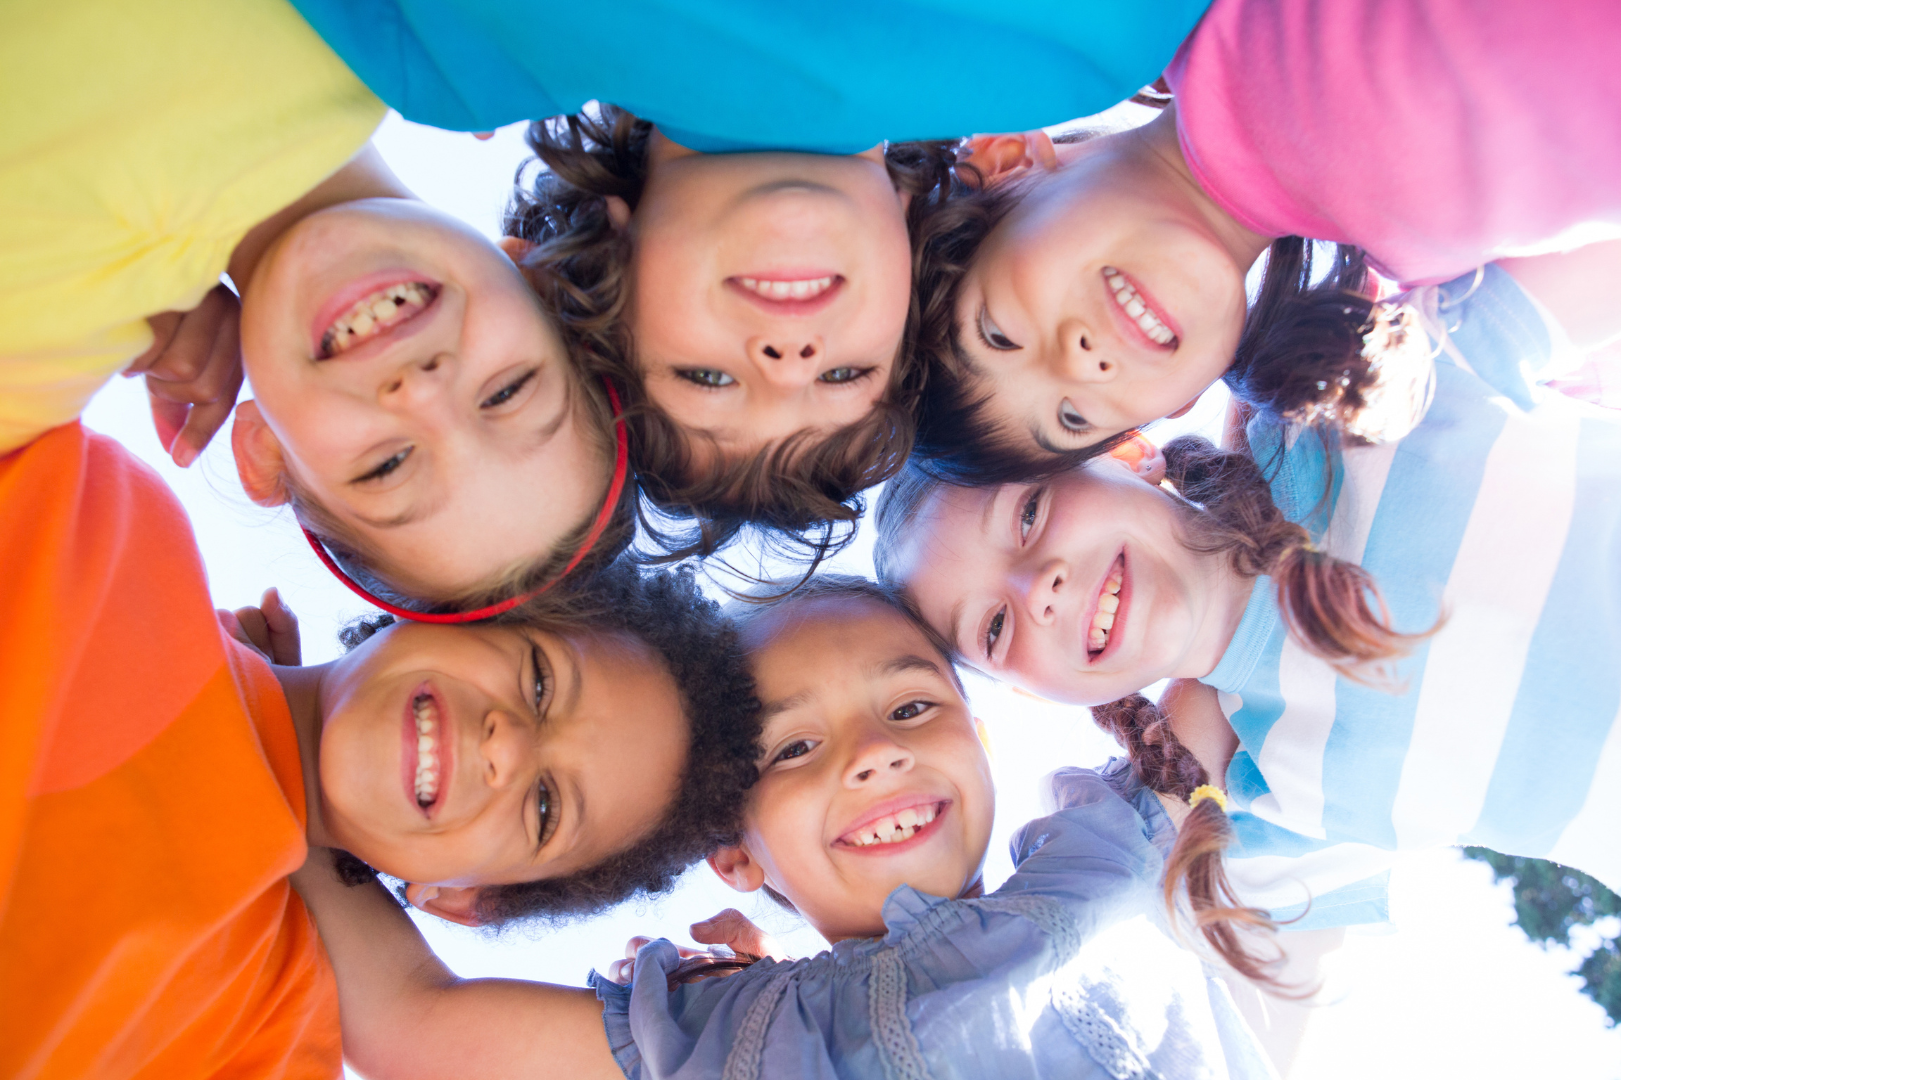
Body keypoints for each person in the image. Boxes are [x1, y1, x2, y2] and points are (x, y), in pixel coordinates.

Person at [287, 577, 1298, 1079]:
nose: (870, 754)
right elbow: (409, 1021)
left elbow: (1225, 614)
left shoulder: (1097, 862)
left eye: (911, 710)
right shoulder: (732, 1039)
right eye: (793, 751)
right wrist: (311, 775)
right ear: (734, 854)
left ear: (982, 740)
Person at [0, 418, 763, 1077]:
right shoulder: (106, 529)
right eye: (538, 683)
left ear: (465, 900)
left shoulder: (266, 1035)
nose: (505, 748)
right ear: (458, 600)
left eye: (544, 805)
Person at [875, 255, 1622, 908]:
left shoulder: (1345, 402)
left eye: (1030, 513)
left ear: (1126, 449)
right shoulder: (1262, 802)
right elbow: (1086, 899)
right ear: (1035, 692)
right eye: (995, 629)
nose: (1037, 590)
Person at [1, 0, 635, 614]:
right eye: (506, 393)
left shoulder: (31, 357)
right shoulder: (413, 23)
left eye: (388, 466)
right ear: (538, 278)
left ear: (265, 453)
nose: (419, 391)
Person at [906, 0, 1620, 476]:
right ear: (1174, 407)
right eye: (1071, 416)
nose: (1080, 364)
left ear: (1001, 163)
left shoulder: (1208, 21)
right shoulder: (1438, 278)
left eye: (1001, 335)